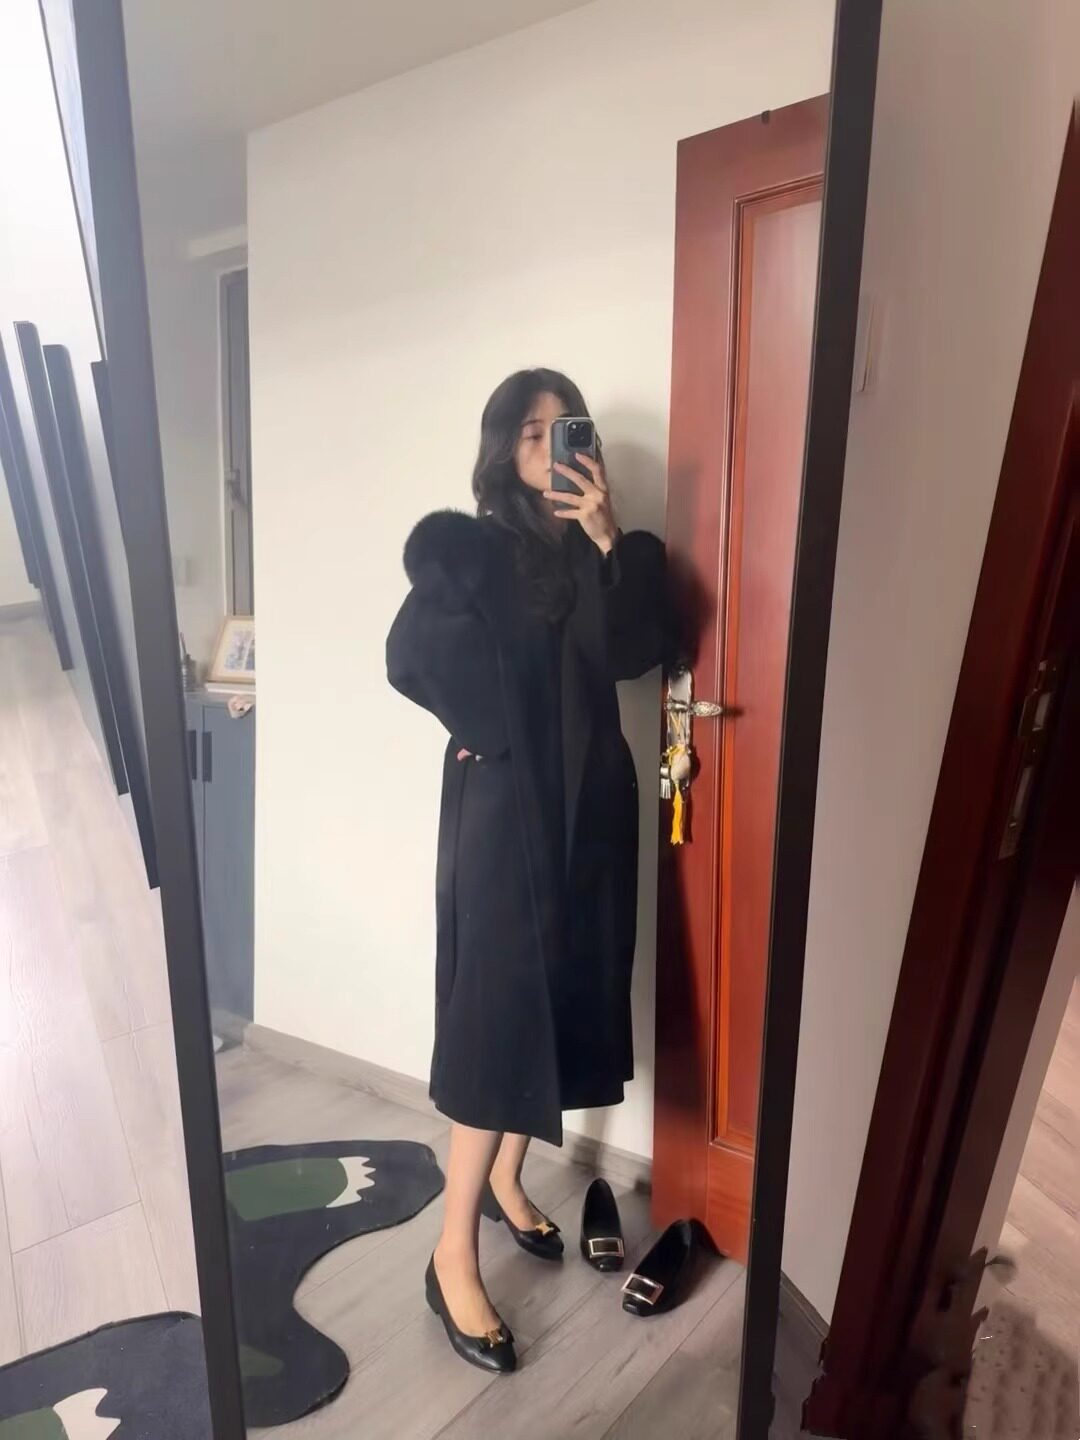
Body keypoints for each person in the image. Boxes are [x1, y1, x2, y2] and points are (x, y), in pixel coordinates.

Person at [386, 368, 666, 1372]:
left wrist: (606, 539)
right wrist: (494, 735)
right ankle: (450, 1255)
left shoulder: (603, 552)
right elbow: (409, 657)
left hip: (587, 816)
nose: (552, 449)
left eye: (566, 430)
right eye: (535, 433)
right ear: (506, 449)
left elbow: (634, 655)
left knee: (561, 1001)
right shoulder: (475, 553)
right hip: (508, 820)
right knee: (500, 1019)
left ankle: (509, 1184)